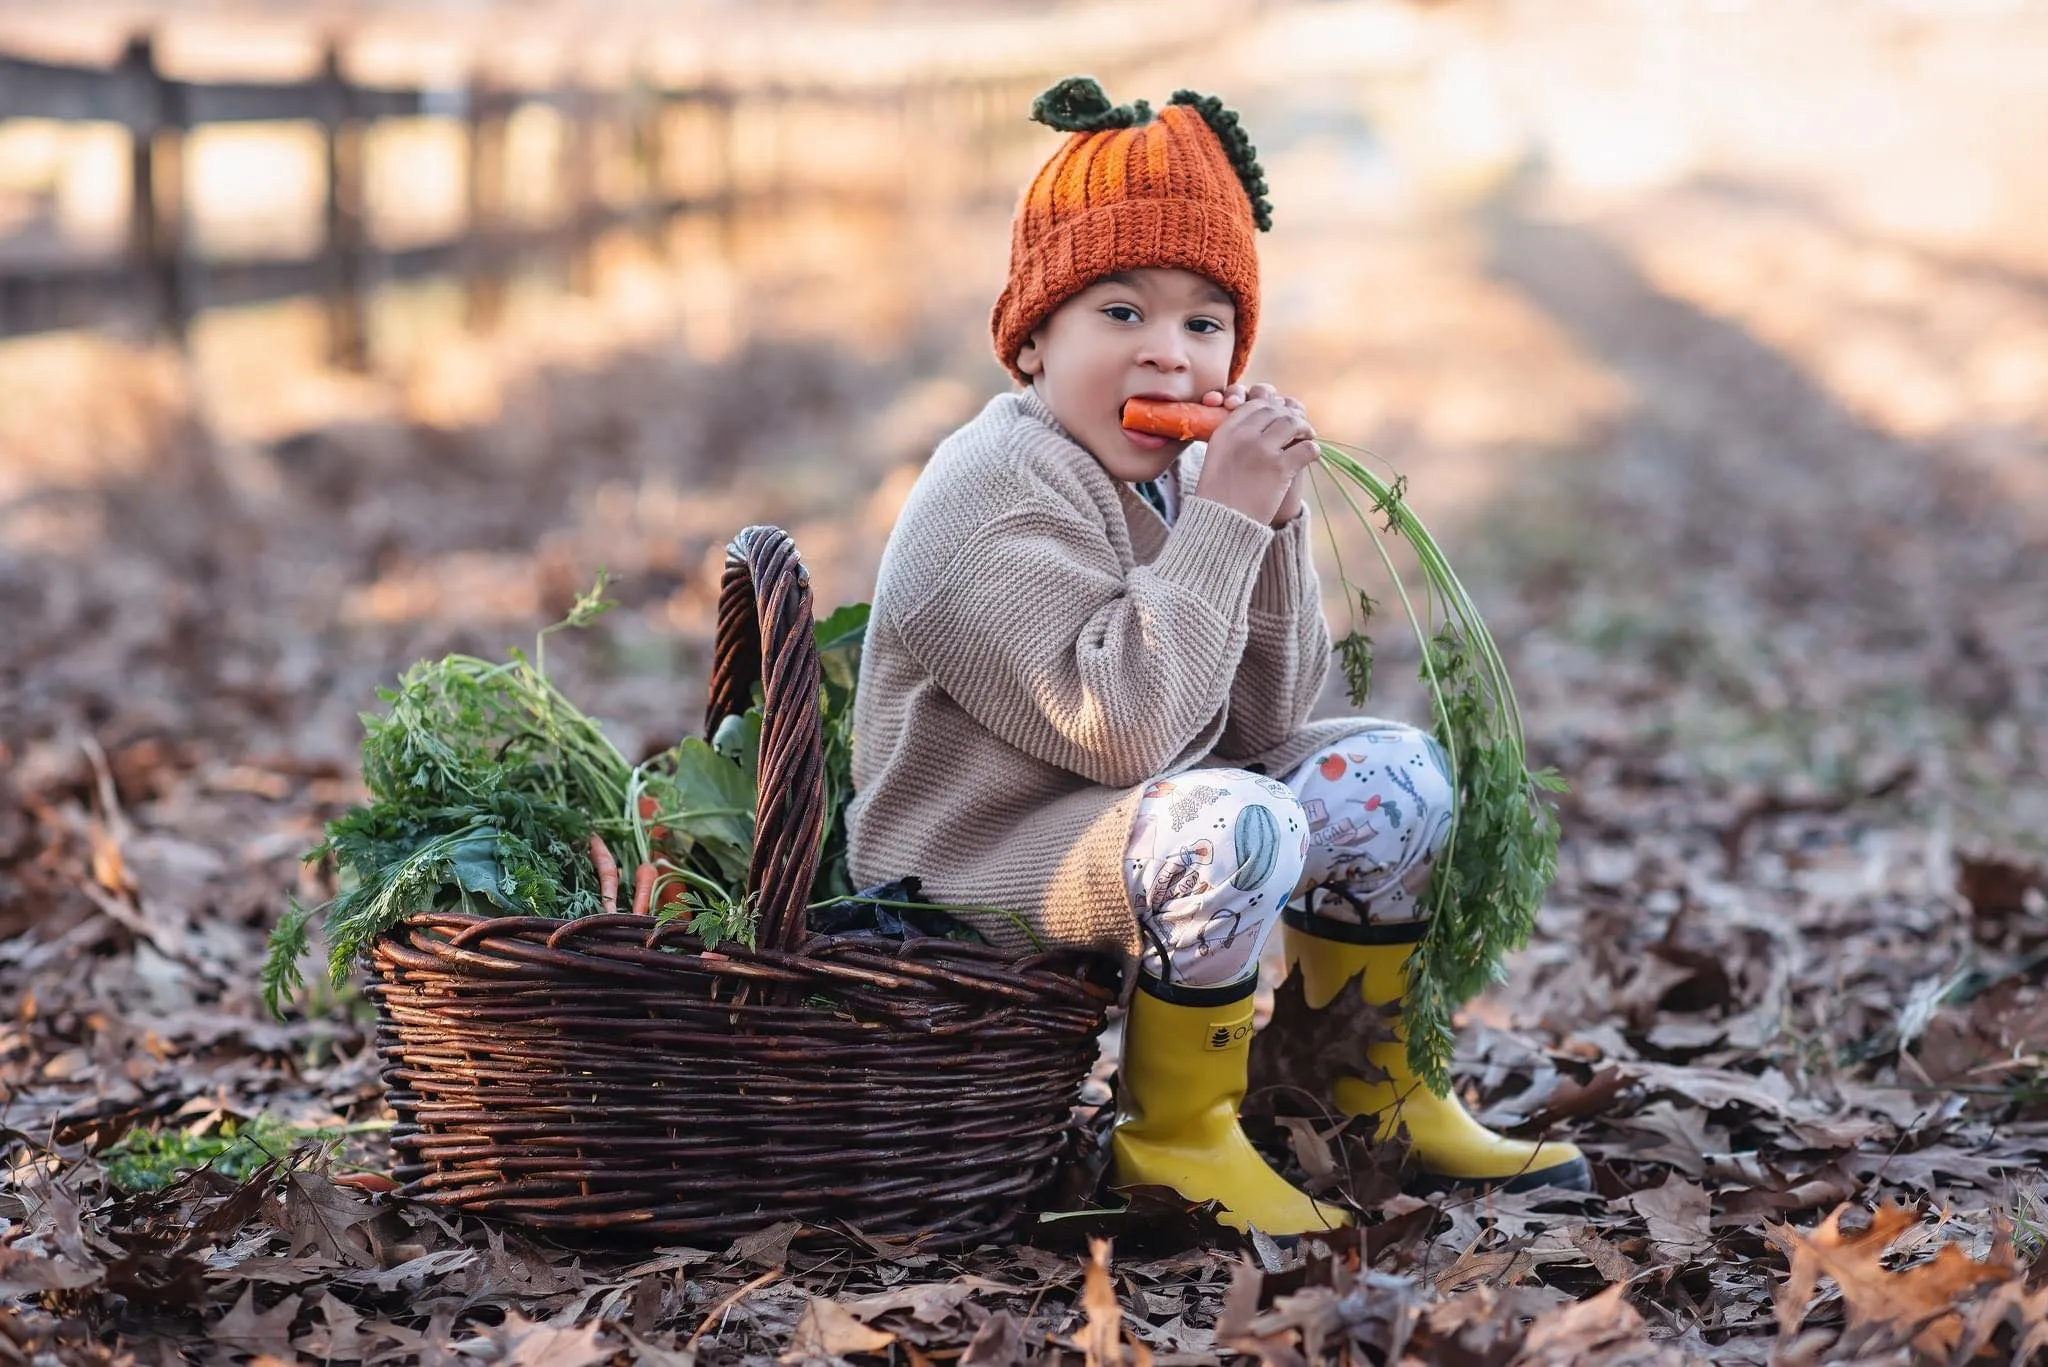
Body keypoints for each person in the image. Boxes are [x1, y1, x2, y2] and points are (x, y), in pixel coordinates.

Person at [847, 77, 1586, 1235]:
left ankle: (1357, 1082)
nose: (1168, 358)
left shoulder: (1178, 477)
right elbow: (1128, 728)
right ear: (1032, 337)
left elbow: (1257, 727)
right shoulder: (989, 490)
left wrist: (1269, 523)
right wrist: (1226, 527)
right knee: (1232, 825)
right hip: (973, 868)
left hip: (1120, 821)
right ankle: (1173, 1136)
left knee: (1391, 775)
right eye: (1120, 314)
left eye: (1204, 322)